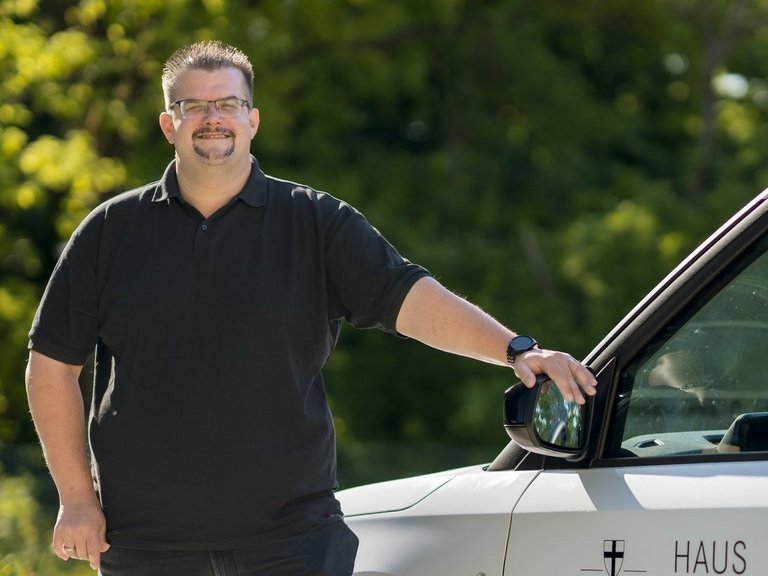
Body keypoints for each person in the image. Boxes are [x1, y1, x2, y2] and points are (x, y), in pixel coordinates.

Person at [25, 41, 597, 575]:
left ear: (253, 119)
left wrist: (516, 349)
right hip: (144, 546)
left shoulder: (316, 222)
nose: (212, 118)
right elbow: (50, 369)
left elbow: (411, 299)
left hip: (293, 543)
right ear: (168, 124)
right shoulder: (109, 232)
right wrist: (77, 500)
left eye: (228, 104)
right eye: (193, 106)